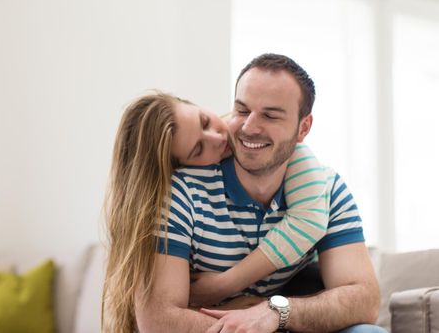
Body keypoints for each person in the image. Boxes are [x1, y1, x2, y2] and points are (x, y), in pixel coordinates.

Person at [134, 53, 384, 332]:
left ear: (303, 128)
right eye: (242, 110)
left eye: (270, 115)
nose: (249, 127)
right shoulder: (182, 192)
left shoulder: (326, 188)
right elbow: (158, 319)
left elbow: (364, 301)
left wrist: (273, 314)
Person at [102, 90, 332, 332]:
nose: (217, 137)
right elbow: (163, 317)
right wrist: (237, 310)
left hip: (297, 289)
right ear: (182, 170)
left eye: (204, 121)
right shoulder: (182, 197)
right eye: (198, 149)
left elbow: (311, 221)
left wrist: (225, 285)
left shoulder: (289, 151)